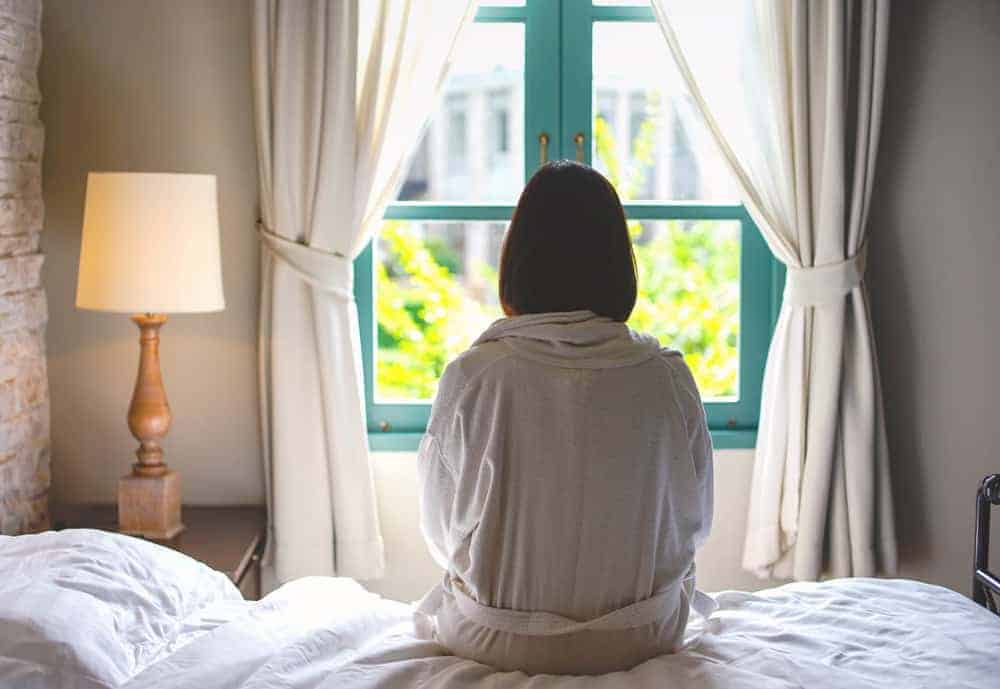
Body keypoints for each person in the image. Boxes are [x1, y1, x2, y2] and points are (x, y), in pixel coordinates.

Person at [414, 160, 714, 676]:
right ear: (618, 263)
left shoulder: (475, 375)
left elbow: (440, 529)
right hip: (642, 636)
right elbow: (695, 524)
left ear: (516, 261)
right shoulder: (666, 375)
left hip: (498, 640)